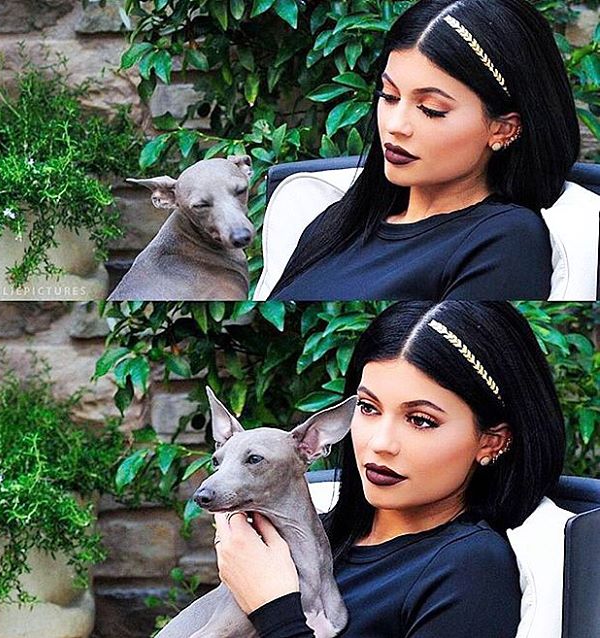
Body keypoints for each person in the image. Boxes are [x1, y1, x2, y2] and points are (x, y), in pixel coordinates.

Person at [213, 301, 566, 637]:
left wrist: (274, 609)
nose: (380, 443)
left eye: (421, 420)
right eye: (368, 408)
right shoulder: (312, 536)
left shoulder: (472, 570)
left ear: (490, 442)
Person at [269, 0, 580, 300]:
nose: (396, 125)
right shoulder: (342, 218)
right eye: (388, 96)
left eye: (431, 109)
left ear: (502, 129)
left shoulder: (507, 241)